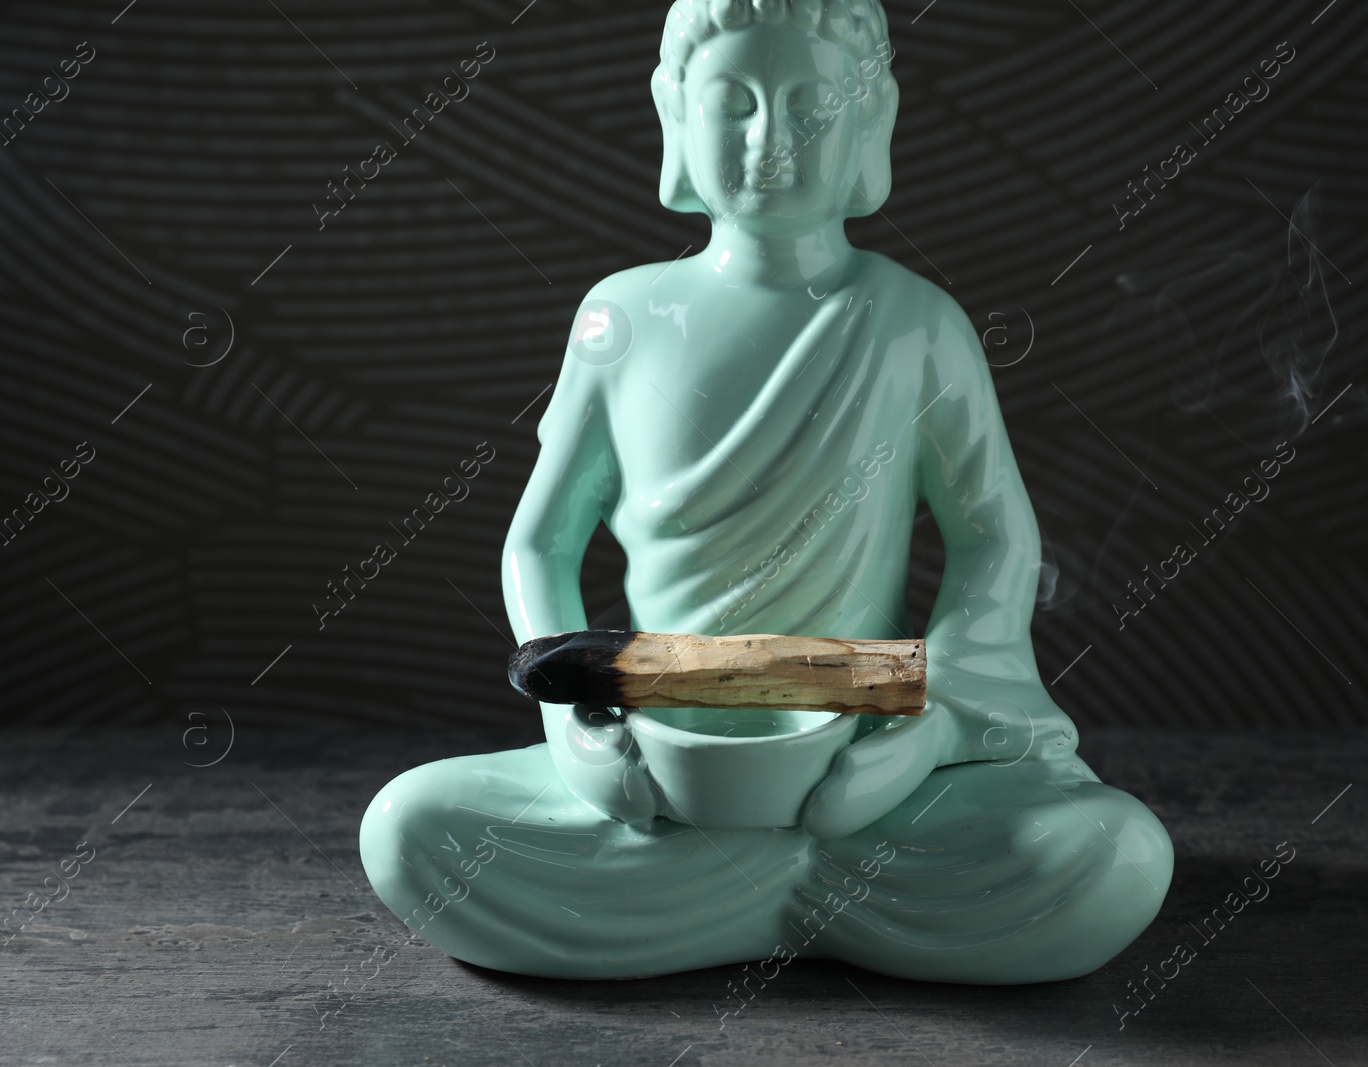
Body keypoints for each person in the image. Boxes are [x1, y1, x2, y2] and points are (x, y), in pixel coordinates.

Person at [361, 0, 1172, 984]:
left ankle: (732, 894)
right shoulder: (620, 318)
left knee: (1108, 852)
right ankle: (805, 893)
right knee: (411, 828)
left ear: (871, 118)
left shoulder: (913, 320)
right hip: (660, 744)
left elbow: (995, 539)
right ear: (673, 114)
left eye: (810, 106)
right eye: (732, 102)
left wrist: (929, 732)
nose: (768, 139)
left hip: (860, 733)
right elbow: (541, 542)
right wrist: (572, 723)